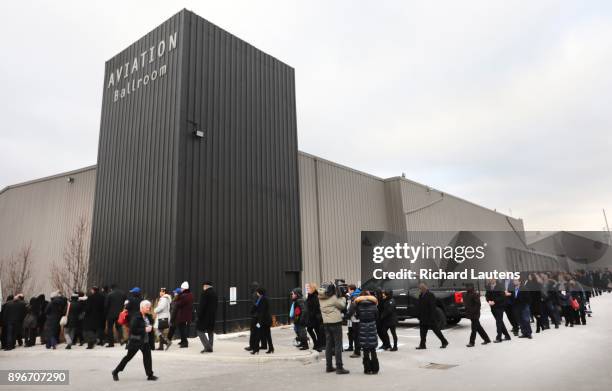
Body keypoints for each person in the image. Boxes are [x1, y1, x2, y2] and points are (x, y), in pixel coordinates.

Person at [112, 300, 158, 381]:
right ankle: (116, 371)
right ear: (142, 307)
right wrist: (144, 329)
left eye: (149, 307)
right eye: (147, 307)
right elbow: (133, 329)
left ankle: (150, 375)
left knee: (147, 358)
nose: (148, 308)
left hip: (145, 341)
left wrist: (151, 330)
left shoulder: (148, 317)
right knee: (128, 357)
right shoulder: (136, 317)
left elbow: (150, 327)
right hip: (136, 341)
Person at [318, 282, 349, 374]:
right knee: (338, 345)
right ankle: (339, 367)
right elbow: (342, 305)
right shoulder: (333, 298)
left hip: (326, 323)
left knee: (328, 345)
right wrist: (343, 297)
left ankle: (329, 366)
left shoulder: (320, 298)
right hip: (335, 323)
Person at [416, 282, 448, 350]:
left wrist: (432, 317)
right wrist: (419, 315)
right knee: (422, 332)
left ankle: (444, 341)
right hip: (423, 317)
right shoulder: (420, 295)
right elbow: (419, 305)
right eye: (420, 288)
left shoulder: (431, 295)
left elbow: (433, 307)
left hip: (430, 318)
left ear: (426, 287)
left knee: (436, 331)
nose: (421, 289)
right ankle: (422, 345)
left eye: (422, 287)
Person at [354, 292, 380, 374]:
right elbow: (377, 316)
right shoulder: (374, 306)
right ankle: (375, 368)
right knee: (373, 349)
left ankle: (367, 369)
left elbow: (357, 316)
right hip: (372, 326)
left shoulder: (358, 306)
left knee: (365, 349)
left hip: (362, 326)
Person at [196, 281, 217, 353]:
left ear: (205, 286)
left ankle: (207, 347)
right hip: (212, 316)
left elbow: (202, 306)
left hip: (204, 316)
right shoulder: (214, 293)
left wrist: (198, 314)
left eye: (203, 286)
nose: (203, 287)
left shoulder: (205, 293)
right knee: (210, 331)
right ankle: (210, 346)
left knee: (200, 331)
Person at [251, 287, 273, 354]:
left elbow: (262, 312)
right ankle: (271, 348)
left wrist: (259, 322)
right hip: (265, 320)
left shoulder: (262, 299)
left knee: (258, 334)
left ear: (259, 292)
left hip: (263, 321)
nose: (256, 293)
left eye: (257, 292)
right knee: (267, 335)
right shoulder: (263, 298)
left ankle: (256, 350)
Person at [305, 283, 325, 352]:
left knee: (317, 331)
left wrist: (313, 315)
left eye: (309, 288)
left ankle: (318, 345)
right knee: (309, 329)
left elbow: (316, 307)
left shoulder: (316, 296)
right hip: (311, 317)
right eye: (307, 288)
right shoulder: (309, 296)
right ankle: (316, 343)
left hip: (316, 317)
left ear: (312, 289)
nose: (307, 289)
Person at [245, 281, 263, 352]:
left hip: (255, 317)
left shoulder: (254, 295)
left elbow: (255, 305)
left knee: (253, 331)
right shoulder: (260, 294)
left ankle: (252, 346)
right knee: (257, 330)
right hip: (259, 317)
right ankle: (256, 345)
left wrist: (252, 311)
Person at [175, 281, 194, 348]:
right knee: (182, 328)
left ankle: (185, 342)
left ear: (184, 289)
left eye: (182, 288)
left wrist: (177, 297)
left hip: (183, 315)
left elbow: (178, 304)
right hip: (186, 315)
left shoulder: (184, 296)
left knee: (182, 329)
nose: (181, 289)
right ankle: (183, 340)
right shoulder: (190, 294)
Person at [345, 285, 361, 357]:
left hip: (355, 318)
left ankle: (357, 351)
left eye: (348, 289)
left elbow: (352, 308)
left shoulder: (355, 296)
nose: (348, 291)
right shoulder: (353, 295)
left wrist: (346, 316)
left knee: (356, 335)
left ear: (352, 290)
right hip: (354, 318)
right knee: (353, 334)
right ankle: (353, 348)